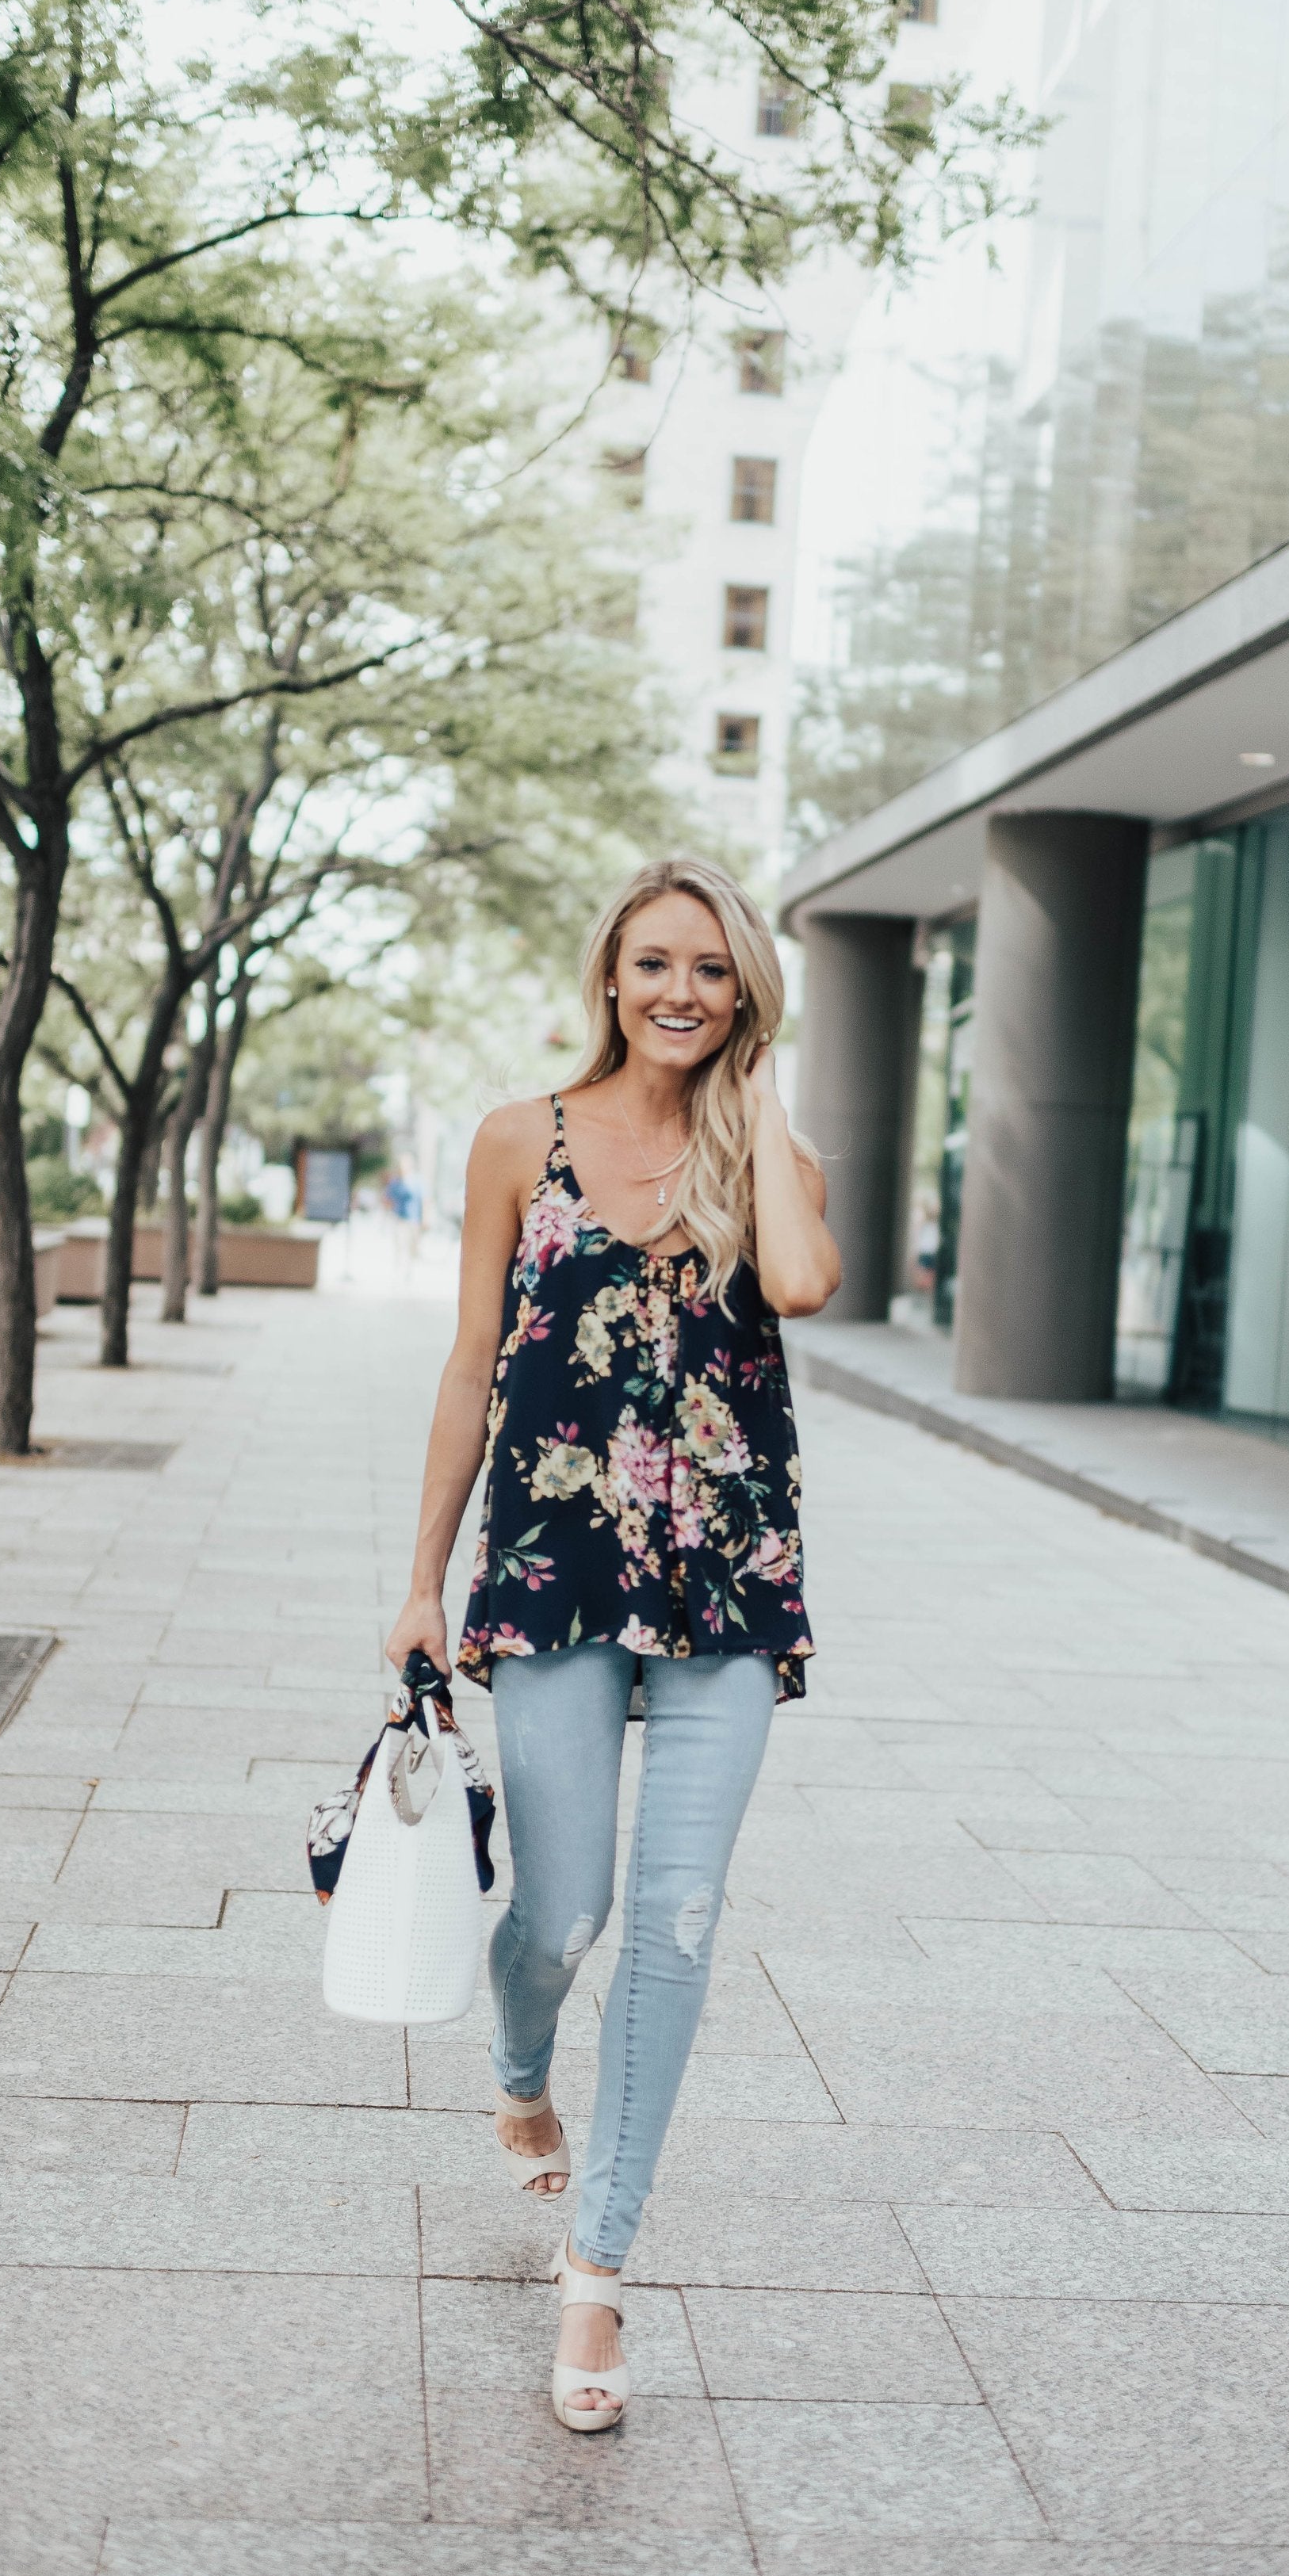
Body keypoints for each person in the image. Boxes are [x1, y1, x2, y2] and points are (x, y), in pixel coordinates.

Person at [384, 857, 841, 2431]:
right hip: (556, 1558)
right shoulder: (522, 1139)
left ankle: (598, 2272)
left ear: (744, 993)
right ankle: (520, 2077)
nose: (679, 993)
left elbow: (798, 1283)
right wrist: (421, 1580)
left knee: (679, 1916)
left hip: (725, 1576)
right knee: (560, 1913)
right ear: (608, 973)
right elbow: (467, 1368)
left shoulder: (771, 1154)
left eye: (712, 972)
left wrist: (759, 1102)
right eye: (654, 964)